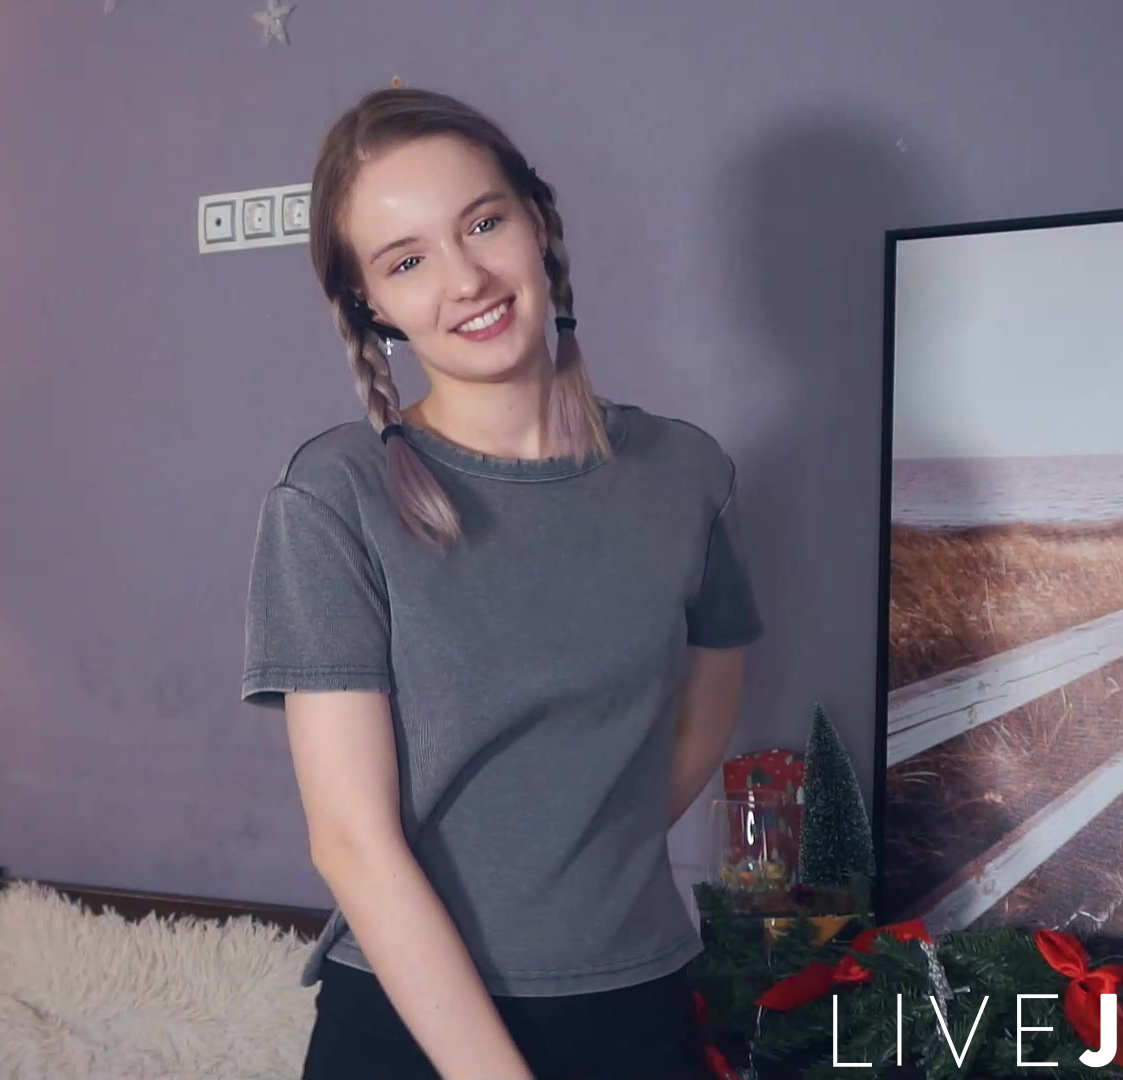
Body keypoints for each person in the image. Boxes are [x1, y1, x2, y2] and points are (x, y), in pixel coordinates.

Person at [240, 86, 763, 1080]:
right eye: (406, 261)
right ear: (370, 305)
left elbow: (704, 716)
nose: (466, 278)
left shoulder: (688, 474)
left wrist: (571, 873)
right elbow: (349, 841)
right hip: (406, 1025)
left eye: (483, 223)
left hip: (638, 1007)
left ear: (538, 222)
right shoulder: (332, 496)